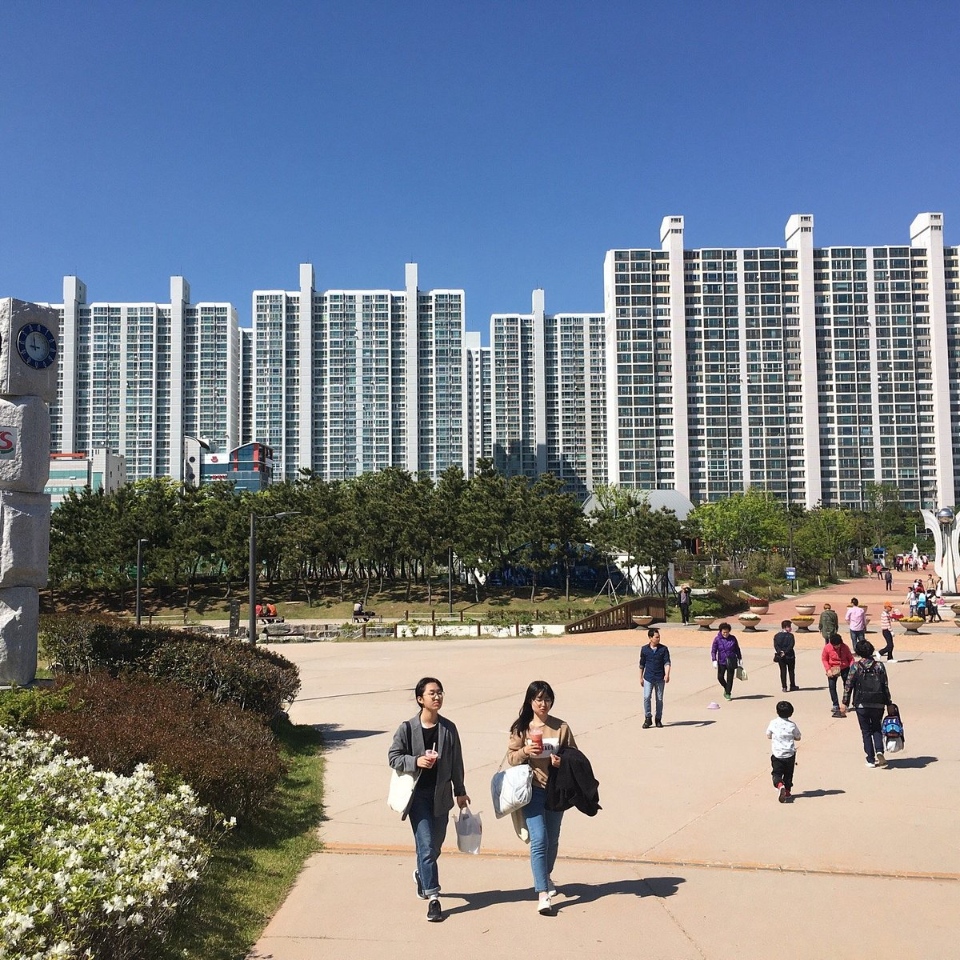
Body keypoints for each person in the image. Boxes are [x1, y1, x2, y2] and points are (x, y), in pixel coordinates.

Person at [388, 677, 469, 922]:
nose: (437, 697)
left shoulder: (448, 729)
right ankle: (434, 898)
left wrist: (460, 791)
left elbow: (456, 762)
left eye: (440, 692)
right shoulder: (407, 728)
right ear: (420, 699)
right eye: (432, 693)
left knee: (435, 846)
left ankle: (422, 876)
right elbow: (393, 757)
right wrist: (416, 761)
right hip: (417, 797)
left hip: (440, 796)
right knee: (425, 845)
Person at [506, 680, 576, 915]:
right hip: (532, 789)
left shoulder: (561, 727)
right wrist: (525, 751)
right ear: (530, 701)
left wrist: (561, 761)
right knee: (539, 839)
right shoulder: (521, 728)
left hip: (556, 790)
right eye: (539, 699)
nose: (543, 704)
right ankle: (543, 893)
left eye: (547, 699)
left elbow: (575, 756)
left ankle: (545, 874)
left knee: (552, 839)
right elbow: (511, 758)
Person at [840, 640, 893, 768]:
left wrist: (845, 702)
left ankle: (870, 759)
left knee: (866, 731)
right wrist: (889, 703)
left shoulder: (856, 666)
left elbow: (848, 685)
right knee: (877, 728)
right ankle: (879, 750)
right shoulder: (879, 666)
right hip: (878, 702)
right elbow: (885, 686)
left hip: (861, 703)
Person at [766, 700, 801, 803]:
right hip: (789, 754)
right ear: (791, 713)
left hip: (777, 755)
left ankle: (779, 785)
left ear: (777, 711)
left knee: (776, 773)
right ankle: (787, 791)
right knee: (788, 774)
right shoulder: (792, 725)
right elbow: (798, 737)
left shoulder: (773, 723)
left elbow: (768, 735)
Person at [639, 627, 671, 728]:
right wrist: (640, 677)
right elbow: (642, 664)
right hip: (648, 677)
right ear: (650, 638)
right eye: (656, 637)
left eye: (659, 637)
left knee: (659, 699)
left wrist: (667, 674)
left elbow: (667, 662)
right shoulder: (644, 649)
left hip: (660, 677)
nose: (658, 639)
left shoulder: (663, 649)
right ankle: (648, 718)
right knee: (646, 697)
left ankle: (658, 719)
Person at [822, 633, 854, 717]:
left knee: (847, 687)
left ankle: (845, 704)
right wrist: (828, 669)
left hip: (844, 667)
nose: (836, 647)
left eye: (838, 645)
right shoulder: (827, 647)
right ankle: (835, 704)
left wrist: (852, 669)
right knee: (832, 686)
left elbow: (851, 659)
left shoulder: (845, 647)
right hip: (833, 668)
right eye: (835, 646)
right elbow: (824, 659)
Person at [710, 622, 743, 701]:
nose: (725, 634)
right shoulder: (717, 639)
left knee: (730, 678)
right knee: (720, 677)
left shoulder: (733, 638)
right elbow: (713, 650)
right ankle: (726, 687)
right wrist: (714, 660)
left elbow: (737, 649)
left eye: (727, 632)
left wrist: (740, 658)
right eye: (724, 632)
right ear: (721, 631)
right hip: (721, 661)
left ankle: (728, 693)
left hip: (731, 660)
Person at [773, 619, 798, 692]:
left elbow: (776, 646)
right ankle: (792, 685)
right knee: (791, 671)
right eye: (789, 627)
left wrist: (780, 652)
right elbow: (791, 645)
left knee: (783, 671)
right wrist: (786, 652)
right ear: (786, 627)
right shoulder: (790, 636)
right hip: (790, 656)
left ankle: (784, 687)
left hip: (780, 656)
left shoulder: (777, 636)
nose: (790, 628)